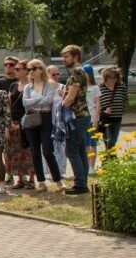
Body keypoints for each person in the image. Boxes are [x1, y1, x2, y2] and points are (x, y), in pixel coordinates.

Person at [22, 59, 65, 192]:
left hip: (46, 118)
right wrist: (39, 100)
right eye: (28, 70)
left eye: (33, 69)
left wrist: (33, 102)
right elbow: (25, 103)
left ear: (41, 69)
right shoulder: (27, 86)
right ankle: (41, 182)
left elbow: (49, 99)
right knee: (35, 153)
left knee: (47, 151)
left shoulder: (49, 83)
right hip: (31, 118)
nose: (30, 72)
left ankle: (58, 181)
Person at [61, 45, 91, 195]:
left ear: (76, 57)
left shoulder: (77, 71)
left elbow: (71, 98)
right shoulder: (78, 71)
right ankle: (82, 182)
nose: (63, 59)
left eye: (66, 56)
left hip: (78, 117)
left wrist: (60, 106)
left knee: (71, 151)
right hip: (81, 117)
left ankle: (80, 184)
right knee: (79, 151)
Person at [7, 60, 36, 189]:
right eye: (15, 69)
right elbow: (8, 104)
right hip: (14, 123)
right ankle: (20, 179)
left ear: (26, 70)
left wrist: (24, 123)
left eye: (18, 69)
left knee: (29, 151)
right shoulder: (13, 85)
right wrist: (9, 122)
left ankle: (31, 179)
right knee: (16, 152)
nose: (15, 71)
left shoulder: (32, 86)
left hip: (28, 122)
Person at [0, 56, 19, 185]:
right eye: (6, 64)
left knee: (20, 148)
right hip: (3, 119)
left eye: (11, 64)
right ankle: (9, 174)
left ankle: (22, 175)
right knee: (7, 149)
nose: (8, 67)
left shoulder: (20, 81)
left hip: (17, 119)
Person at [99, 66, 128, 150]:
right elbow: (96, 101)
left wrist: (123, 109)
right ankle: (110, 160)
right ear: (105, 77)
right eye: (110, 78)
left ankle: (108, 161)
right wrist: (103, 110)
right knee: (109, 141)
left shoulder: (121, 86)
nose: (113, 80)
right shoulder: (100, 86)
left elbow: (126, 99)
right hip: (105, 119)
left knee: (113, 141)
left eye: (115, 77)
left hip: (117, 118)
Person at [47, 65, 67, 175]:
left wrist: (63, 95)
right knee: (49, 147)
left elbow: (69, 103)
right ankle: (50, 171)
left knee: (61, 146)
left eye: (57, 74)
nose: (56, 76)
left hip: (60, 122)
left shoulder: (63, 87)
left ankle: (61, 170)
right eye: (53, 74)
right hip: (47, 121)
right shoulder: (45, 88)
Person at [82, 64, 101, 174]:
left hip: (92, 118)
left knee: (92, 143)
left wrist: (96, 120)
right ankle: (85, 165)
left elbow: (98, 104)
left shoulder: (95, 88)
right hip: (82, 119)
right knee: (84, 144)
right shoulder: (81, 88)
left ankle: (91, 167)